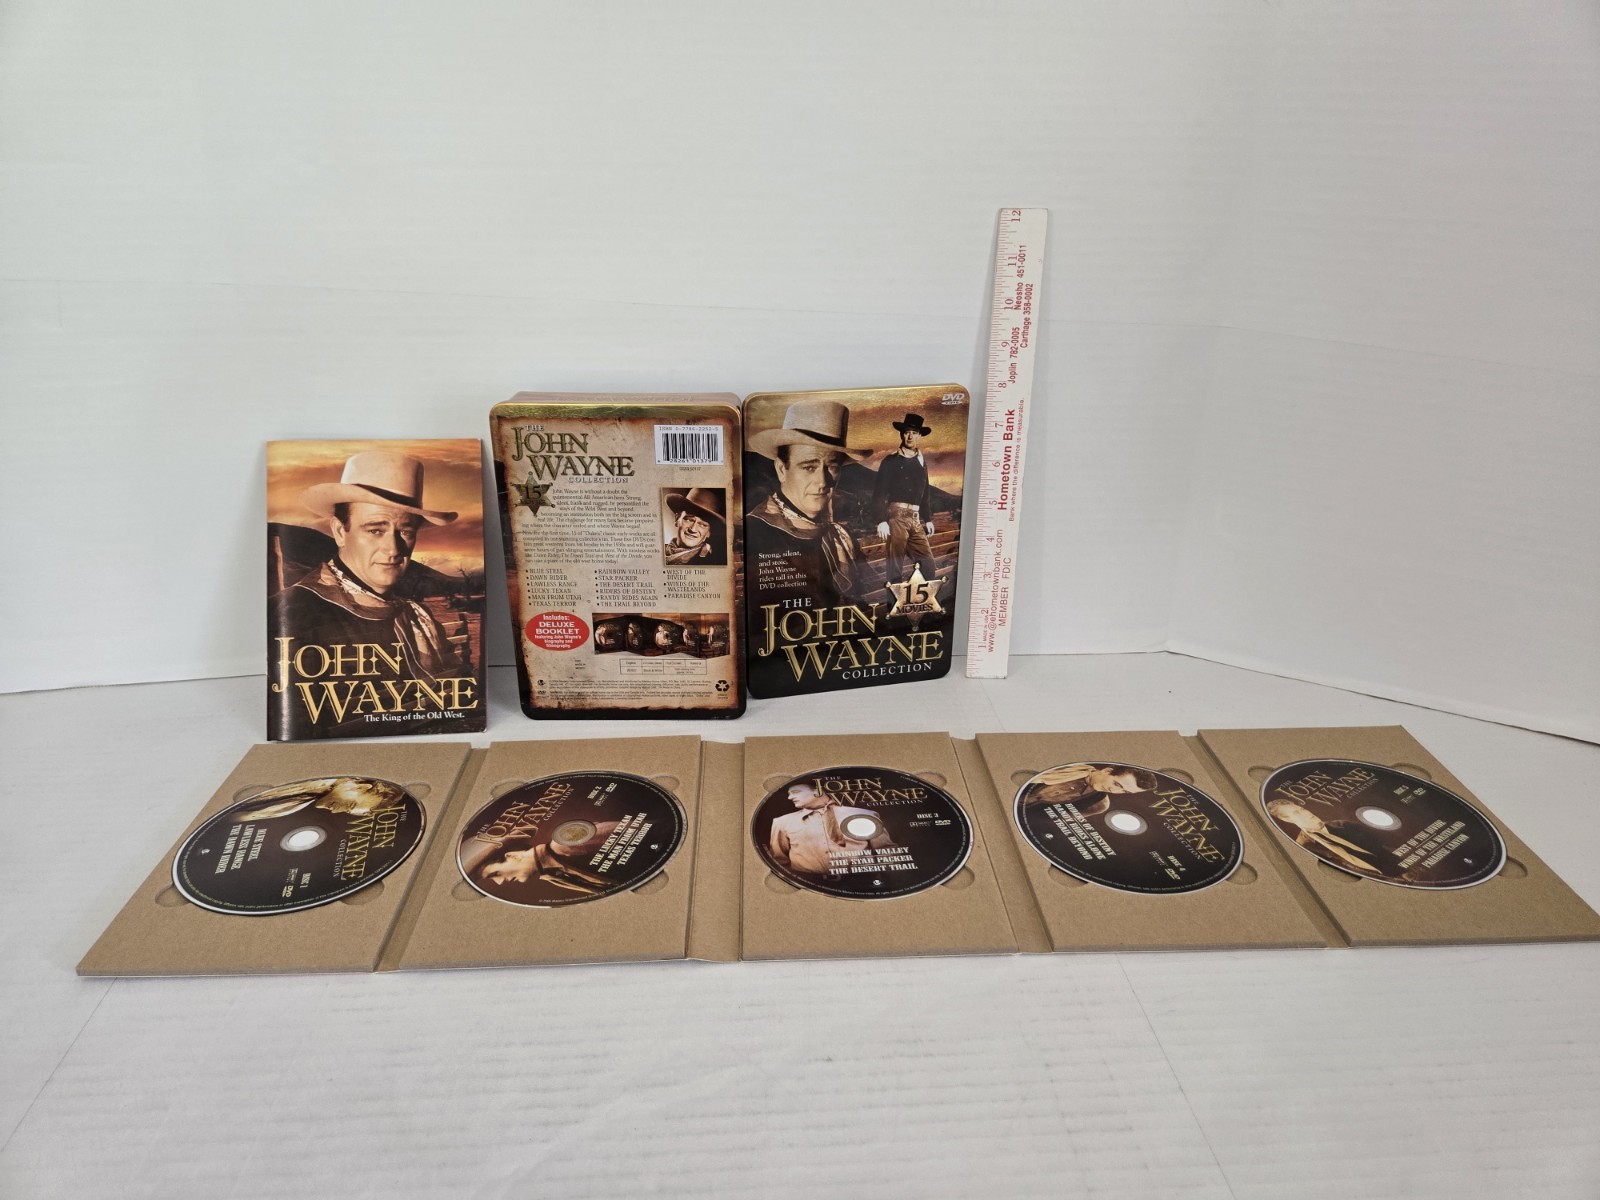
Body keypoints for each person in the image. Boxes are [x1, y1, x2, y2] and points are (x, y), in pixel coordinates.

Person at [278, 450, 465, 693]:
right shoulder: (291, 614)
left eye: (406, 532)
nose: (393, 549)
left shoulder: (418, 616)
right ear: (339, 532)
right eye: (375, 530)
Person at [746, 398, 872, 608]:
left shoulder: (841, 535)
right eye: (809, 467)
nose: (823, 482)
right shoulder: (756, 533)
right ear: (781, 470)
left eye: (832, 467)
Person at [459, 820, 621, 900]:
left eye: (495, 874)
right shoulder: (552, 876)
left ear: (513, 855)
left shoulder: (564, 844)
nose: (500, 882)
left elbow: (632, 831)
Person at [766, 778, 893, 876]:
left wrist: (886, 879)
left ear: (818, 791)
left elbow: (887, 851)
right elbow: (779, 859)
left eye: (795, 792)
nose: (790, 797)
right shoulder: (781, 822)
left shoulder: (864, 814)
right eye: (789, 794)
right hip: (808, 884)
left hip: (861, 881)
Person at [870, 412, 939, 584]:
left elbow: (925, 492)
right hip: (897, 517)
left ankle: (920, 599)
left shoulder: (921, 462)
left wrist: (928, 519)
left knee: (928, 566)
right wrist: (881, 520)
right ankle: (892, 600)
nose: (910, 436)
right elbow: (879, 492)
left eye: (914, 433)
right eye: (907, 432)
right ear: (902, 434)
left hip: (915, 519)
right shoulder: (891, 461)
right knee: (895, 568)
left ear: (920, 435)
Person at [1024, 763, 1155, 817]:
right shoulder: (1071, 764)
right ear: (1107, 771)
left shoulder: (1099, 805)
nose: (1113, 790)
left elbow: (1055, 823)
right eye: (1116, 783)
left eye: (1124, 791)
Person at [662, 487, 728, 566]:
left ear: (708, 533)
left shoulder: (710, 563)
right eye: (689, 520)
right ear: (677, 519)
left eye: (703, 525)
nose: (693, 529)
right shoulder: (660, 553)